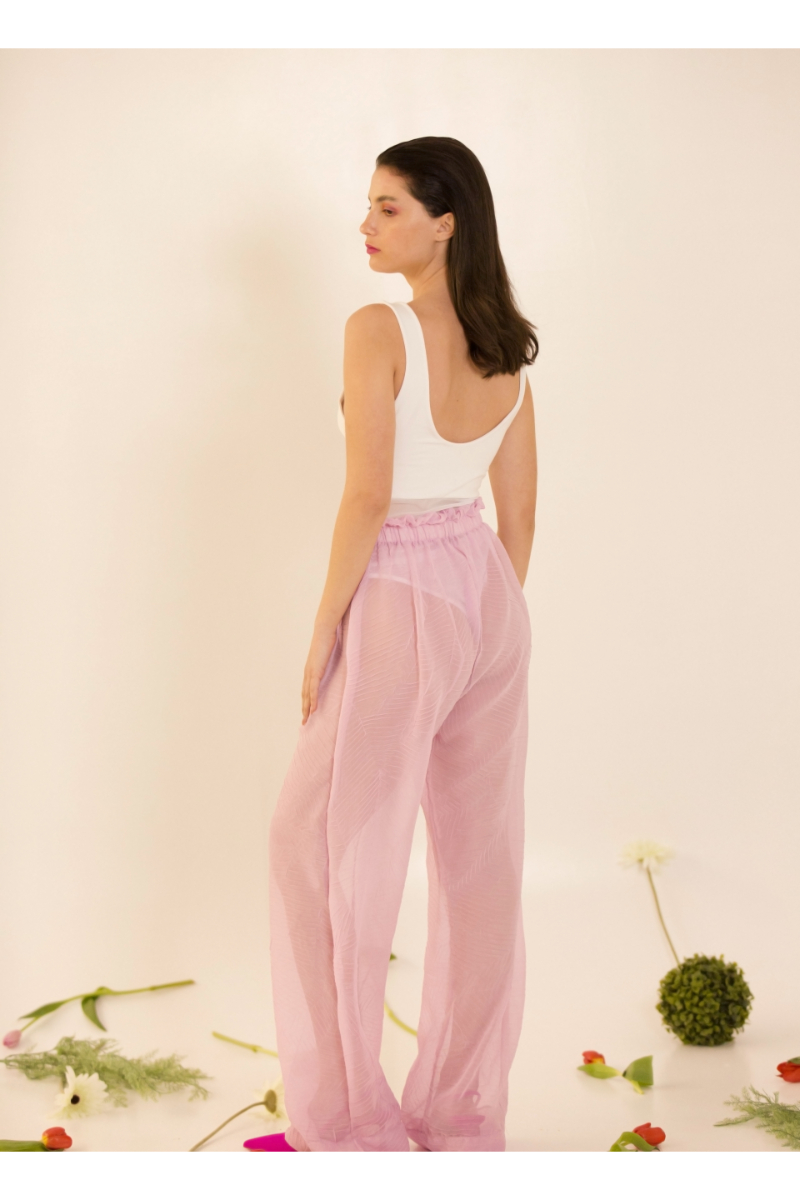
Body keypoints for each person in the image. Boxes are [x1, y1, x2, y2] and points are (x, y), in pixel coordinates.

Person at [247, 136, 538, 1153]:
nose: (365, 225)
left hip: (401, 590)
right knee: (477, 861)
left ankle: (348, 1125)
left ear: (445, 222)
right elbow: (518, 519)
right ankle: (459, 1114)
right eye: (368, 206)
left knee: (320, 845)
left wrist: (327, 625)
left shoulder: (379, 328)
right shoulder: (506, 348)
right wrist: (472, 624)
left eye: (388, 208)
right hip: (485, 596)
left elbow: (368, 495)